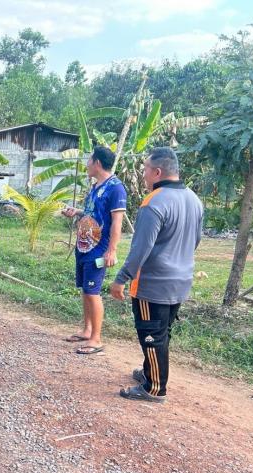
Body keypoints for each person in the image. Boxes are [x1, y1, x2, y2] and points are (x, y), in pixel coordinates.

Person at [110, 147, 203, 402]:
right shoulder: (194, 199)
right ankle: (150, 372)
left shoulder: (154, 202)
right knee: (162, 332)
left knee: (151, 334)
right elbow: (196, 240)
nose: (143, 174)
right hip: (181, 280)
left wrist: (121, 278)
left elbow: (141, 248)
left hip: (154, 284)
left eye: (145, 169)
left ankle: (154, 387)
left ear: (158, 172)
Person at [62, 146, 127, 355]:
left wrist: (112, 250)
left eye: (89, 160)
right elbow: (93, 213)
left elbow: (117, 222)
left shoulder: (115, 188)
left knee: (93, 292)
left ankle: (96, 339)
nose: (87, 164)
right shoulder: (96, 186)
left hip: (98, 249)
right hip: (84, 246)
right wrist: (77, 212)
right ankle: (87, 330)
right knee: (85, 290)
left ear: (97, 162)